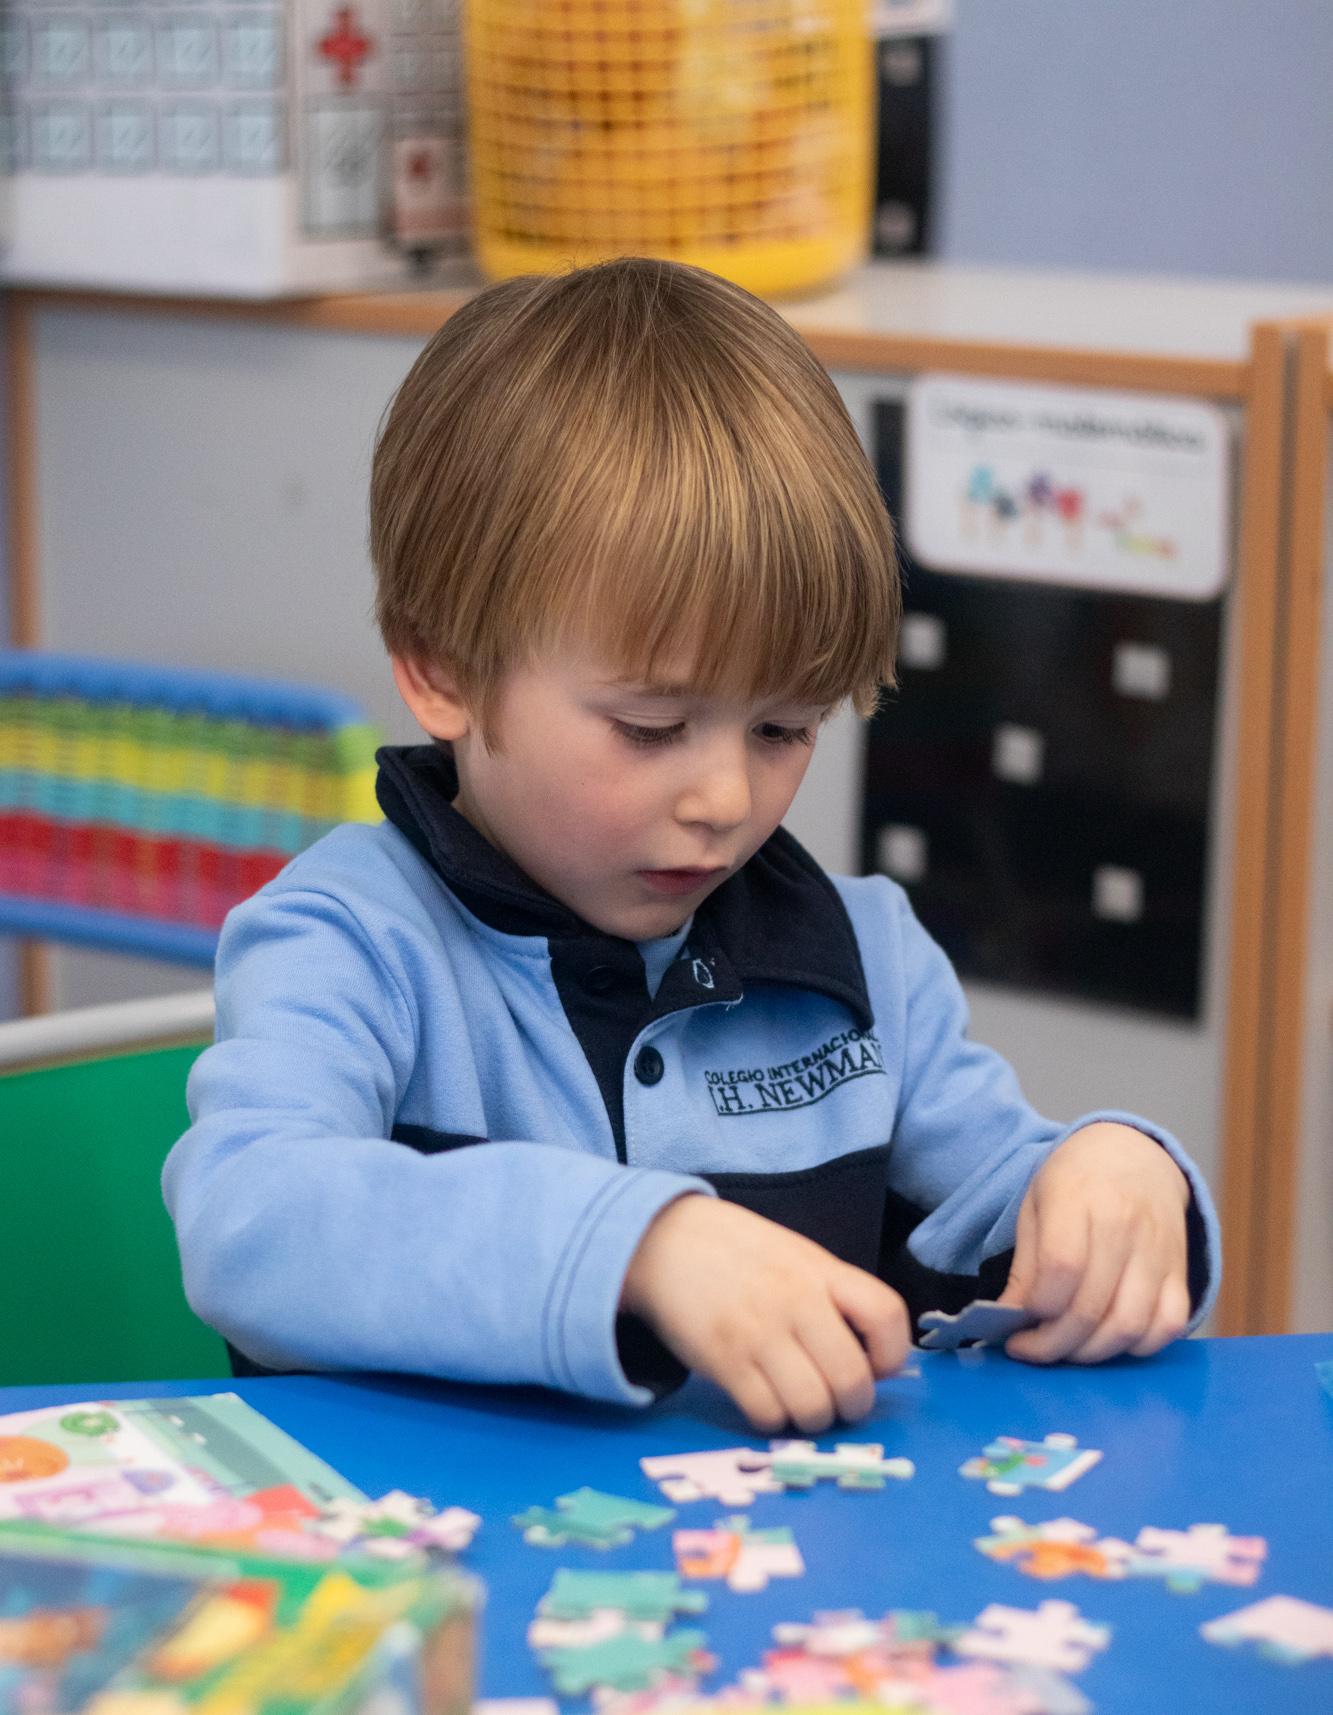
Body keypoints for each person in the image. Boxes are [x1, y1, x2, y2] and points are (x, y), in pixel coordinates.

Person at [163, 258, 1218, 1435]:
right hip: (444, 1587)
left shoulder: (868, 956)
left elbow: (1007, 1199)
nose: (724, 796)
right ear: (440, 670)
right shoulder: (347, 935)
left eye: (783, 727)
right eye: (651, 726)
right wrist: (636, 1244)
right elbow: (251, 1218)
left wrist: (1120, 1174)